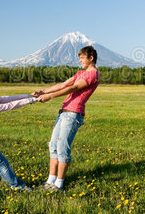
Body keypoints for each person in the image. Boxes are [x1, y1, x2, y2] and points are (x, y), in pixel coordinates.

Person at [33, 46, 99, 191]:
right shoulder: (81, 73)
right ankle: (50, 181)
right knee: (53, 146)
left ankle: (59, 184)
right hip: (64, 112)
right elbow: (63, 85)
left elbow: (73, 88)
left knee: (62, 149)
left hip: (73, 114)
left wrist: (49, 97)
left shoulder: (93, 74)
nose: (80, 61)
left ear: (91, 58)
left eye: (82, 58)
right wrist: (43, 91)